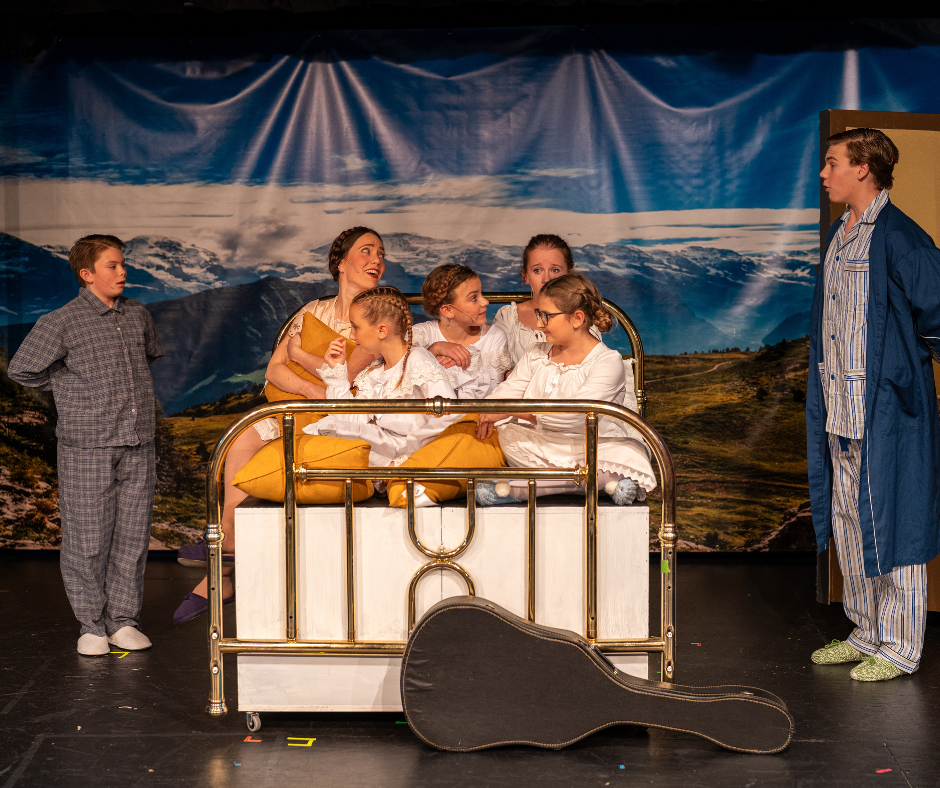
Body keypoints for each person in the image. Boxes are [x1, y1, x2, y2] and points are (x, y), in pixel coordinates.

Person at [173, 226, 384, 623]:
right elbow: (275, 370)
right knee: (240, 440)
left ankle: (223, 569)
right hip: (303, 403)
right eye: (366, 251)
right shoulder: (311, 311)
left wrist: (304, 363)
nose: (377, 260)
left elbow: (350, 373)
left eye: (380, 253)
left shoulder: (378, 317)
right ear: (341, 263)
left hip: (344, 411)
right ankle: (227, 546)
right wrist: (311, 386)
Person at [807, 127, 940, 682]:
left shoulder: (903, 238)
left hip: (887, 411)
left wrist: (910, 383)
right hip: (841, 407)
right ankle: (867, 630)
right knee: (850, 519)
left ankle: (902, 646)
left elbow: (937, 316)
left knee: (895, 519)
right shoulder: (842, 234)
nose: (824, 172)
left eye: (832, 162)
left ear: (863, 168)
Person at [8, 234, 164, 656]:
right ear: (87, 274)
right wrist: (69, 391)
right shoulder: (61, 321)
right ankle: (91, 625)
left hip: (138, 442)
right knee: (87, 538)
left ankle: (124, 621)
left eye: (122, 263)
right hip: (87, 445)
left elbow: (145, 357)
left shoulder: (138, 315)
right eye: (112, 265)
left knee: (132, 537)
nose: (123, 271)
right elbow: (23, 369)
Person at [475, 272, 655, 505]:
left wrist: (512, 410)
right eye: (539, 314)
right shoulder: (536, 353)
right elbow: (507, 392)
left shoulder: (607, 362)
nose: (539, 323)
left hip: (589, 447)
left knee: (630, 454)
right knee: (504, 439)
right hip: (539, 445)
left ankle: (518, 488)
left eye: (546, 316)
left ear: (577, 318)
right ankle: (595, 483)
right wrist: (492, 409)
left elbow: (575, 416)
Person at [307, 286, 461, 493]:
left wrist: (417, 452)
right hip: (386, 448)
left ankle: (401, 471)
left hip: (415, 448)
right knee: (325, 427)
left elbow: (449, 414)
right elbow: (349, 418)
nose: (352, 335)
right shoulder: (374, 371)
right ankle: (388, 470)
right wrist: (337, 374)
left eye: (356, 327)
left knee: (330, 430)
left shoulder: (417, 359)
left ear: (381, 330)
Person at [493, 233, 598, 365]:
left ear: (569, 275)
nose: (547, 279)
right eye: (537, 270)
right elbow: (498, 372)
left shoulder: (580, 316)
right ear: (526, 275)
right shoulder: (508, 317)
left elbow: (591, 364)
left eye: (555, 270)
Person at [412, 264, 511, 399]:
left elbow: (493, 394)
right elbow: (405, 385)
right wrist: (434, 350)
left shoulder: (494, 336)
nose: (485, 302)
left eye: (482, 294)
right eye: (474, 298)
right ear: (447, 310)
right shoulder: (420, 335)